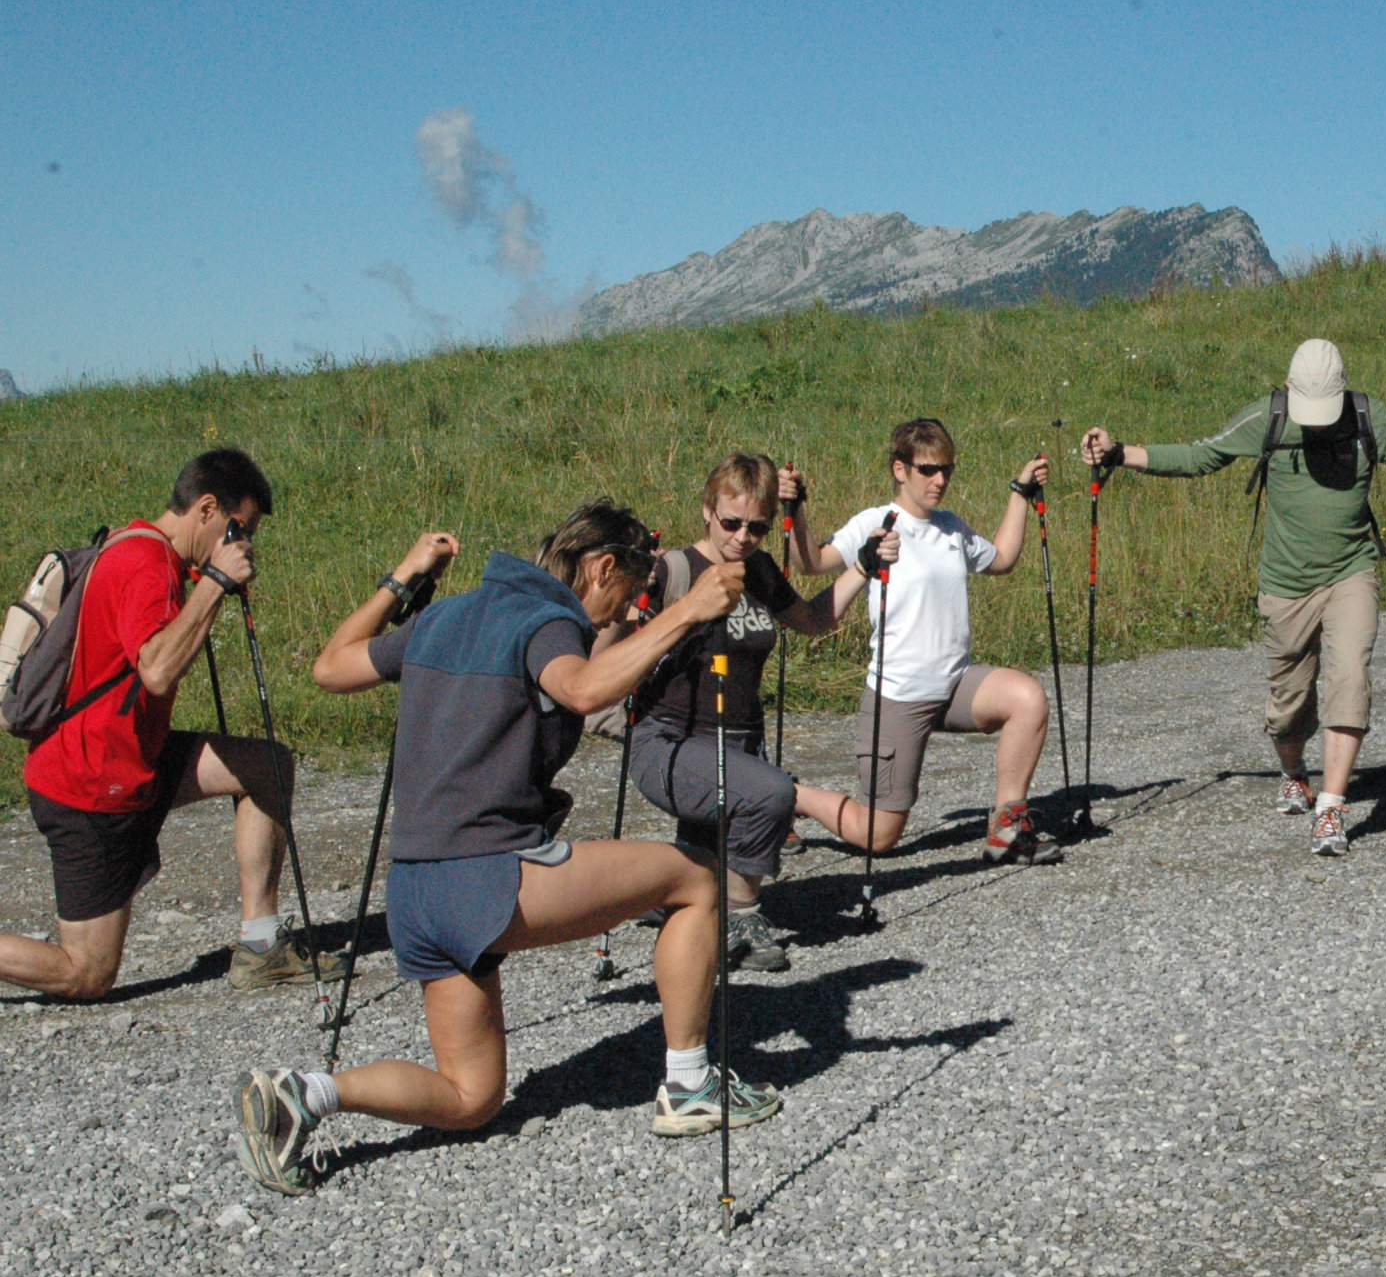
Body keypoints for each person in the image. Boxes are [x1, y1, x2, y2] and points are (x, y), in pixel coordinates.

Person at [233, 502, 779, 1197]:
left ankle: (304, 1095)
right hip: (488, 880)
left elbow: (331, 667)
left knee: (472, 1097)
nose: (617, 617)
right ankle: (692, 1084)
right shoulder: (548, 620)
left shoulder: (446, 615)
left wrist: (403, 578)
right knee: (698, 878)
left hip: (414, 895)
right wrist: (687, 611)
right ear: (601, 567)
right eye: (626, 597)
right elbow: (579, 690)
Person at [1079, 339, 1386, 856]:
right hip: (1285, 584)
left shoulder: (1371, 417)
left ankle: (1330, 807)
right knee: (1288, 704)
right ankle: (1294, 771)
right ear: (1288, 389)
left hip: (1352, 572)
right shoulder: (1268, 418)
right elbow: (1200, 455)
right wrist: (1120, 453)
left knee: (1349, 676)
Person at [0, 448, 337, 1000]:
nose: (243, 543)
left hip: (134, 758)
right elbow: (156, 670)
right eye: (239, 529)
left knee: (267, 766)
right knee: (87, 974)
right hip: (91, 785)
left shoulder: (143, 547)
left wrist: (206, 581)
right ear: (207, 509)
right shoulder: (144, 564)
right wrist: (214, 585)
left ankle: (261, 945)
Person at [611, 453, 876, 970]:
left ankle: (675, 896)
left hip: (738, 741)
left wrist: (863, 567)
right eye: (731, 523)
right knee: (773, 793)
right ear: (708, 510)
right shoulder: (673, 569)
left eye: (758, 527)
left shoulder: (757, 568)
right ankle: (741, 911)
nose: (742, 537)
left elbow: (812, 620)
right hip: (670, 738)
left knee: (707, 861)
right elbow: (614, 645)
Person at [790, 418, 1060, 864]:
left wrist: (1020, 492)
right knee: (878, 836)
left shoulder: (950, 526)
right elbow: (811, 563)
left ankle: (1006, 829)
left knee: (1028, 698)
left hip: (954, 685)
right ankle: (790, 794)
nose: (940, 481)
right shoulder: (874, 522)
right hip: (899, 694)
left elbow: (1003, 558)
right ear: (900, 470)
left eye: (946, 471)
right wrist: (795, 507)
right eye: (928, 470)